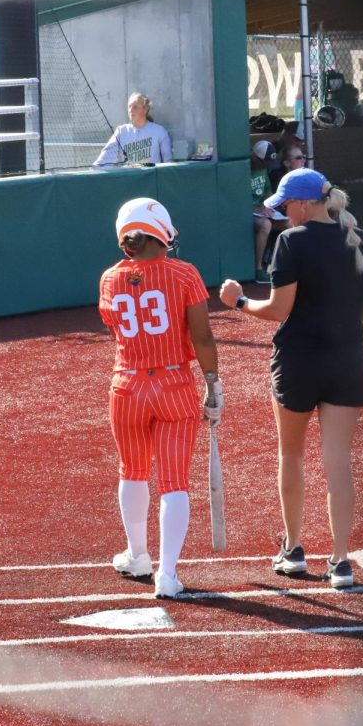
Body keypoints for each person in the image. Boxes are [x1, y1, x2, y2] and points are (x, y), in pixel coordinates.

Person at [217, 168, 363, 588]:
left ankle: (293, 550)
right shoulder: (358, 239)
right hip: (347, 359)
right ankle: (341, 562)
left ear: (306, 203)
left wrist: (237, 301)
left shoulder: (292, 241)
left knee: (289, 455)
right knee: (338, 462)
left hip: (298, 360)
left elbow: (277, 309)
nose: (283, 214)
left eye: (287, 205)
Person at [99, 198, 221, 600]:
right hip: (173, 385)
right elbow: (202, 337)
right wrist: (213, 385)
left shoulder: (109, 279)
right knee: (174, 483)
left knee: (131, 471)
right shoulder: (184, 274)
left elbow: (116, 327)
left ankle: (137, 555)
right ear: (161, 231)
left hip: (127, 386)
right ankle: (166, 574)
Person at [93, 92, 172, 167]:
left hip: (151, 179)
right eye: (129, 106)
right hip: (128, 179)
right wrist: (94, 171)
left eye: (135, 107)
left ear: (145, 109)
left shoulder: (159, 131)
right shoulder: (121, 131)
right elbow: (106, 157)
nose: (130, 110)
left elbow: (168, 162)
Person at [251, 139, 288, 282]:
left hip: (261, 210)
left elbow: (267, 190)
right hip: (248, 212)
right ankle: (258, 269)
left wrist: (269, 205)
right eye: (264, 162)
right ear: (255, 158)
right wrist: (257, 208)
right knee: (266, 225)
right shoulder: (242, 170)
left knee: (289, 224)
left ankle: (279, 265)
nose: (266, 165)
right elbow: (236, 200)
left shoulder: (263, 168)